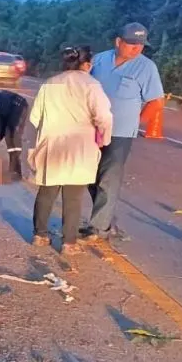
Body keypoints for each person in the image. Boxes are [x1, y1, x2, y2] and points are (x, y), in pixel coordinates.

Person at [81, 23, 165, 242]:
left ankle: (98, 228)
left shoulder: (146, 68)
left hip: (121, 133)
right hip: (93, 128)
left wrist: (136, 124)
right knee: (89, 176)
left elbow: (156, 102)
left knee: (108, 178)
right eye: (131, 44)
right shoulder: (99, 60)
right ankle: (105, 221)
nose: (136, 49)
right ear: (118, 42)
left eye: (141, 45)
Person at [28, 46, 113, 255]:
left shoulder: (50, 84)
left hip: (53, 143)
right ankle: (68, 243)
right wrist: (103, 138)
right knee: (74, 196)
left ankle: (40, 235)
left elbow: (35, 116)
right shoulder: (92, 85)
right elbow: (104, 116)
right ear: (87, 64)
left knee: (47, 191)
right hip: (81, 146)